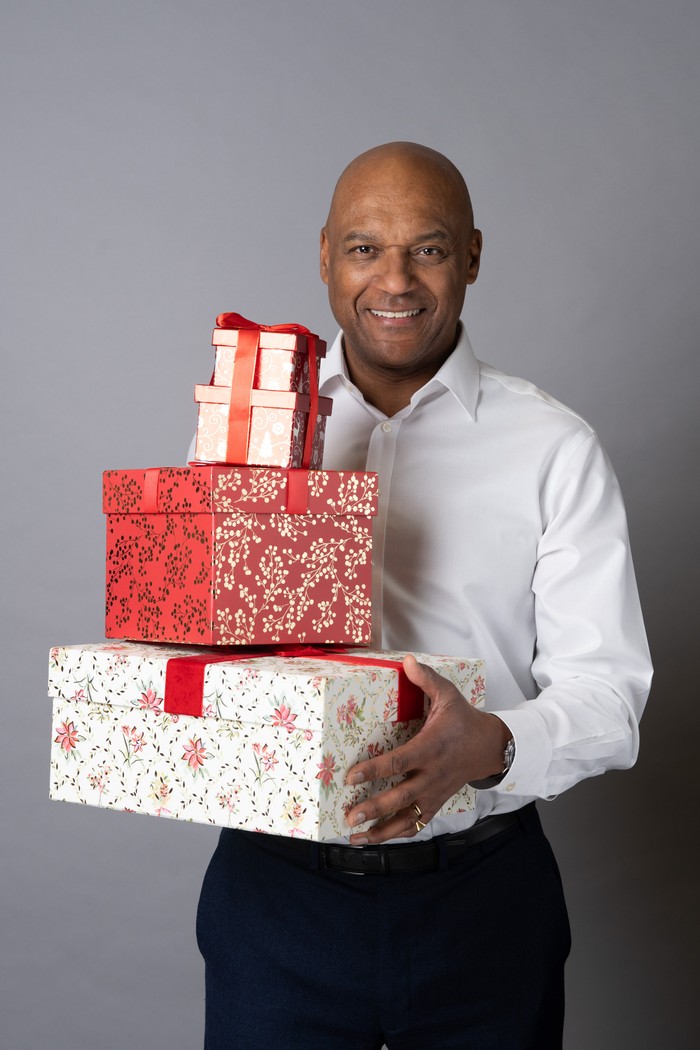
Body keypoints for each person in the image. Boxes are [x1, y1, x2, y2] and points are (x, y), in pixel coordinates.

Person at [196, 142, 652, 1049]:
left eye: (429, 248)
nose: (394, 278)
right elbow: (202, 639)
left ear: (473, 256)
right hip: (275, 901)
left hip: (484, 900)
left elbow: (610, 699)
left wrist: (495, 744)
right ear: (324, 254)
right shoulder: (246, 427)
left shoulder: (554, 448)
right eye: (365, 248)